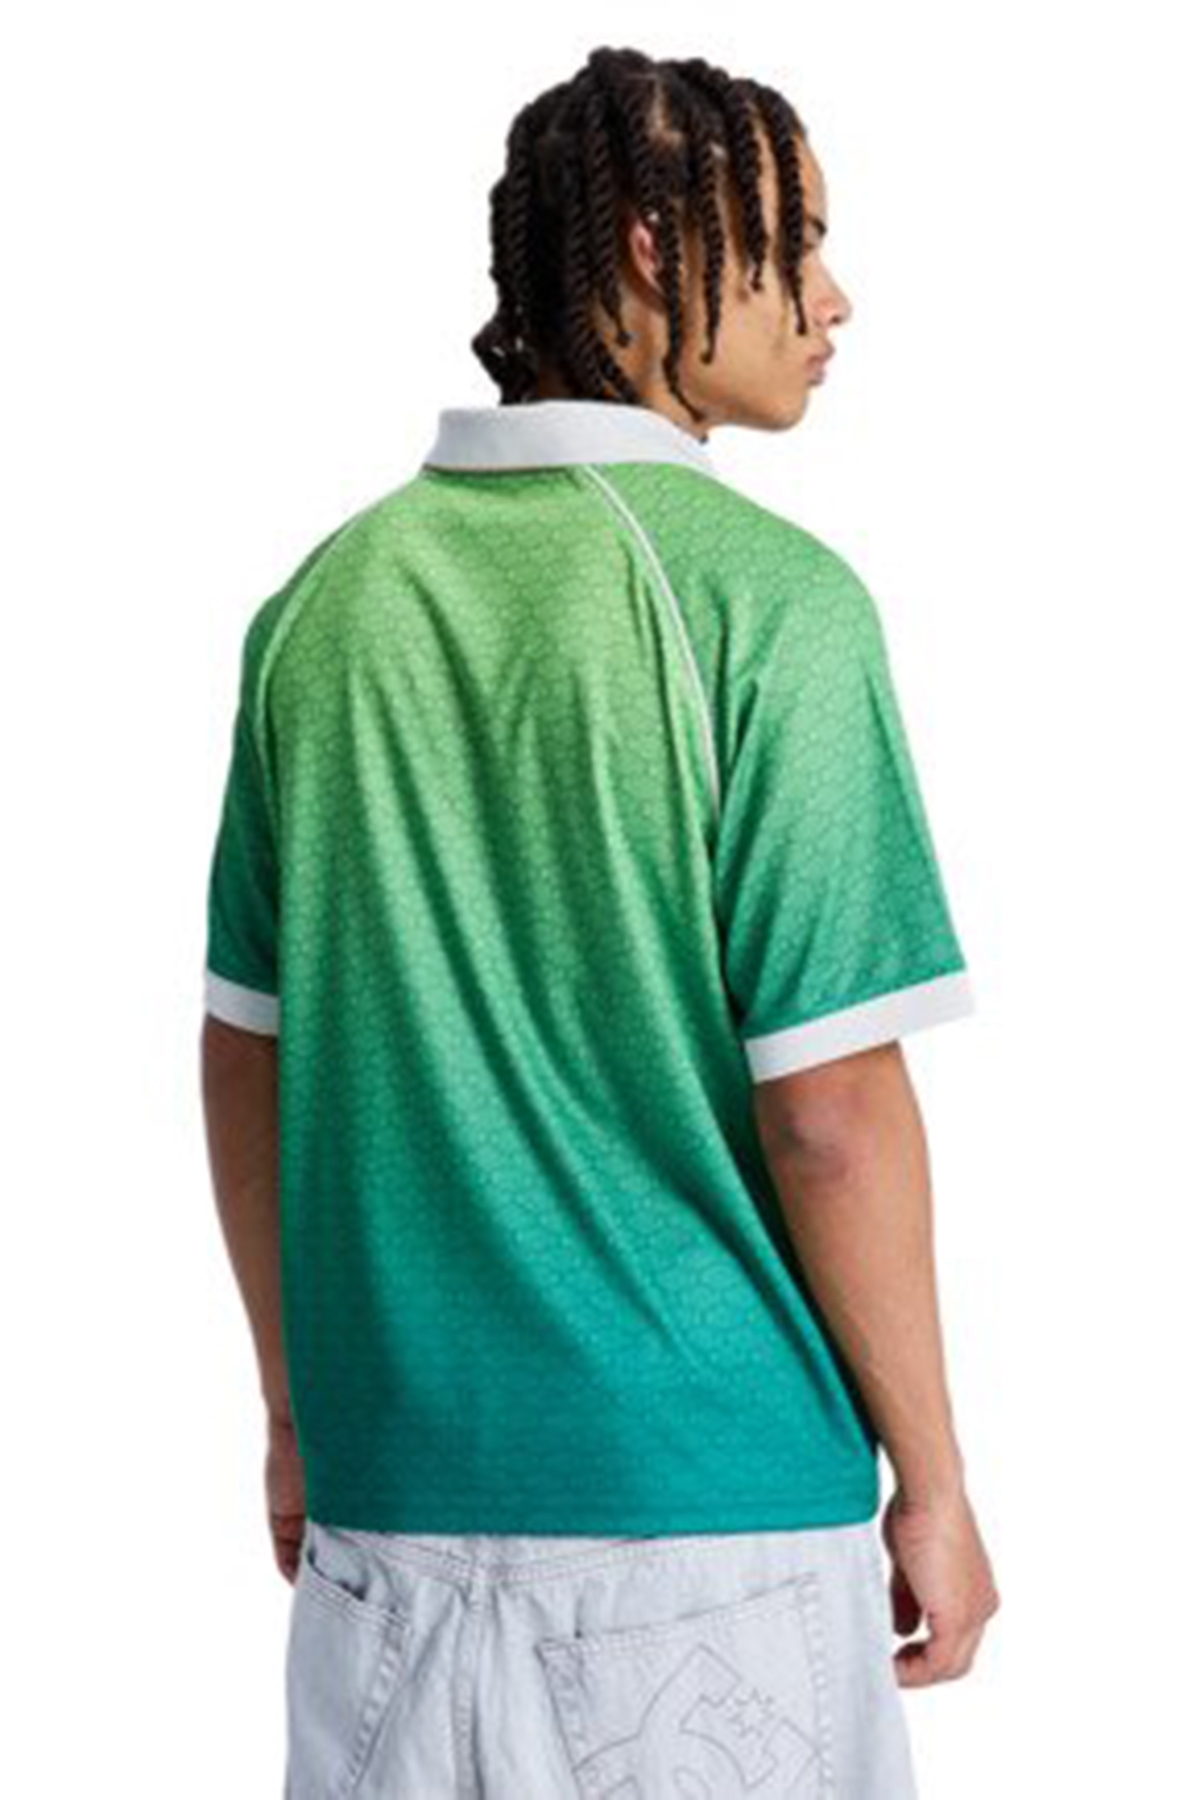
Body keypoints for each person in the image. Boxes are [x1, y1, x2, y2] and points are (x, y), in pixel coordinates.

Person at [200, 44, 999, 1799]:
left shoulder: (318, 610)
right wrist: (936, 1484)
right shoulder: (769, 606)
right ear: (650, 245)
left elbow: (246, 1055)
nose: (833, 298)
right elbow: (830, 1111)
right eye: (793, 241)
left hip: (383, 1543)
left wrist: (294, 1412)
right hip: (712, 1554)